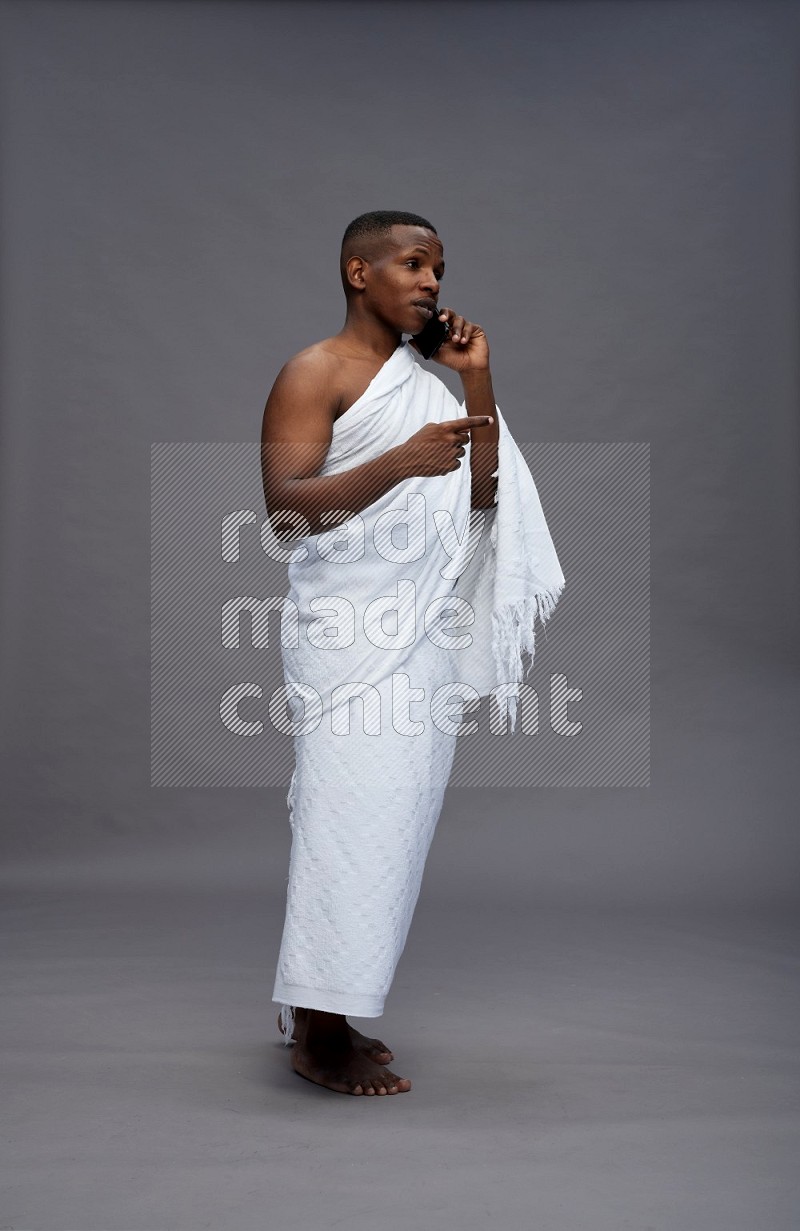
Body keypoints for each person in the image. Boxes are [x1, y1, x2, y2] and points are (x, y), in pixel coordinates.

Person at [260, 210, 563, 1097]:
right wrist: (394, 465)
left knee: (390, 827)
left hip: (421, 633)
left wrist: (478, 383)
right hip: (349, 635)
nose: (432, 282)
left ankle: (329, 1005)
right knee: (348, 817)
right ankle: (315, 1029)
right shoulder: (314, 372)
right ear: (360, 272)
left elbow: (482, 501)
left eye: (439, 268)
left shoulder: (430, 386)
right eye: (413, 263)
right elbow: (283, 511)